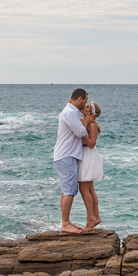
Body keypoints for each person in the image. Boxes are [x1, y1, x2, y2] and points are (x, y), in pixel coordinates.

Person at [53, 88, 91, 234]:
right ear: (80, 99)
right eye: (85, 101)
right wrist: (87, 121)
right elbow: (80, 132)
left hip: (65, 155)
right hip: (67, 155)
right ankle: (65, 223)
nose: (85, 105)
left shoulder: (70, 111)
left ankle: (66, 222)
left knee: (66, 191)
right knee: (69, 191)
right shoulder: (69, 113)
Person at [77, 102, 103, 230]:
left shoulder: (92, 125)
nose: (84, 107)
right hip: (84, 155)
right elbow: (74, 119)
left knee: (84, 189)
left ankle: (90, 219)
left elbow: (92, 143)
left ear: (92, 112)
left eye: (87, 107)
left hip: (88, 156)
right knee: (90, 189)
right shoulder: (85, 121)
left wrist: (82, 134)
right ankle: (96, 217)